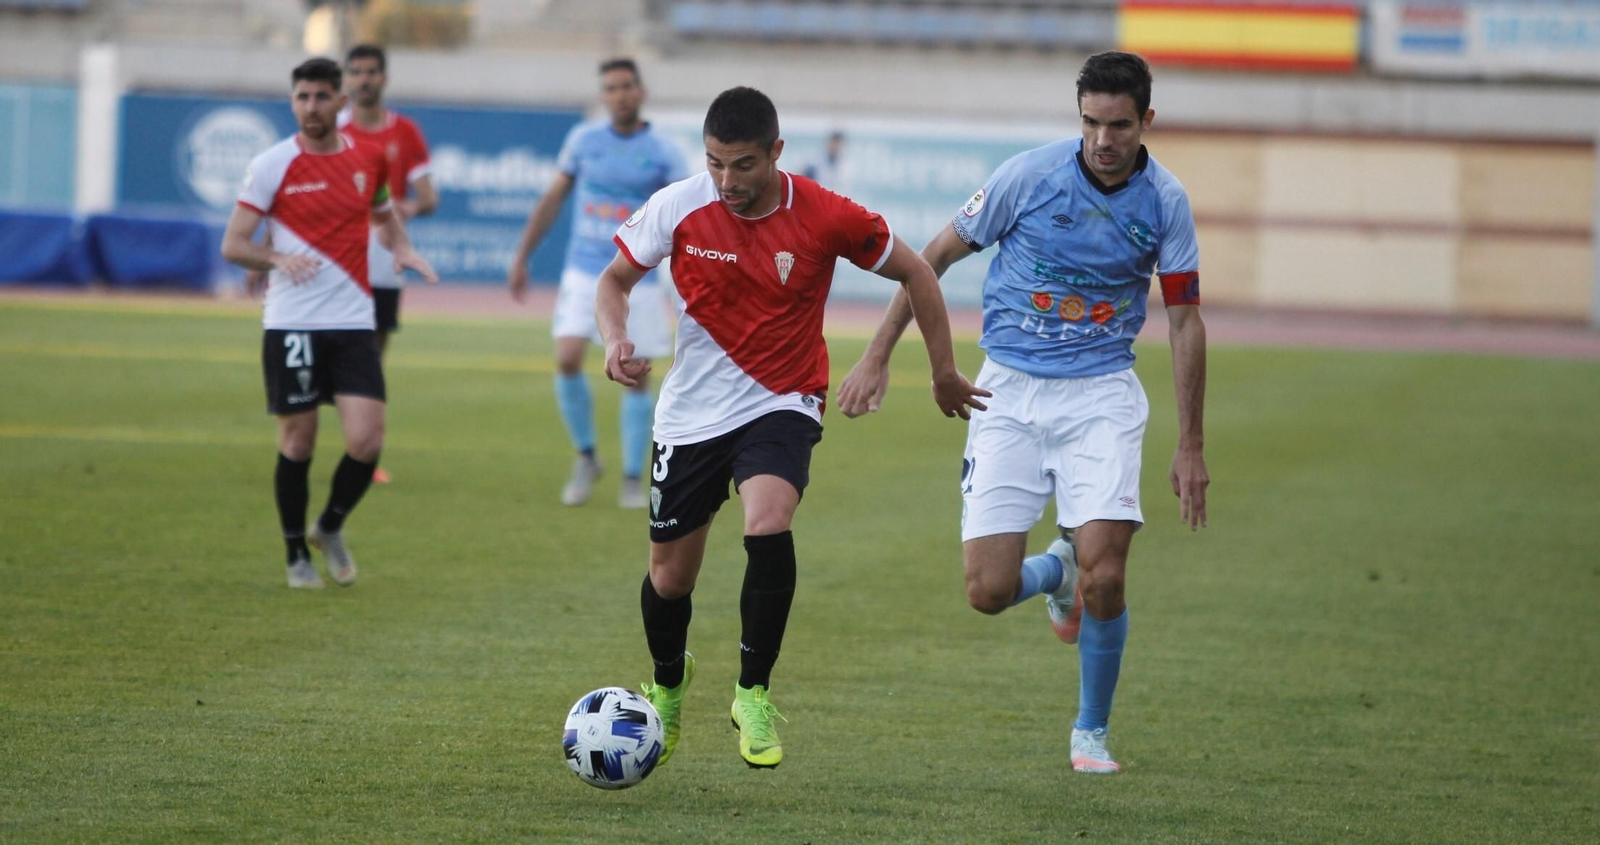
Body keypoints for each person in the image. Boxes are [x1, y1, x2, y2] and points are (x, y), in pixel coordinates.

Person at [837, 51, 1210, 775]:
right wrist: (879, 351)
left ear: (1146, 122)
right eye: (1091, 123)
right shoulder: (1030, 176)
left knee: (1109, 574)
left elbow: (1186, 321)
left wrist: (1191, 442)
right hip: (1007, 390)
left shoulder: (1165, 202)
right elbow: (932, 257)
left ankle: (1091, 732)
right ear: (1079, 118)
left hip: (1102, 394)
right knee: (988, 591)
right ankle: (1055, 574)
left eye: (1120, 125)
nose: (1103, 140)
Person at [597, 86, 989, 769]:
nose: (727, 181)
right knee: (669, 580)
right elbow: (613, 282)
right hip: (689, 414)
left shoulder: (826, 215)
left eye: (743, 165)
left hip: (781, 398)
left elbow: (919, 272)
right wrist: (613, 339)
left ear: (776, 153)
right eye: (716, 163)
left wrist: (941, 371)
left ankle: (752, 690)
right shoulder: (679, 205)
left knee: (768, 521)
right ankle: (666, 682)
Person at [221, 57, 437, 589]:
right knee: (298, 443)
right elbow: (234, 244)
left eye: (321, 97)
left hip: (353, 320)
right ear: (293, 102)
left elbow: (384, 214)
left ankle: (329, 526)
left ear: (341, 102)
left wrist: (402, 249)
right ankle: (296, 552)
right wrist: (275, 260)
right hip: (292, 324)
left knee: (366, 442)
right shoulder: (273, 164)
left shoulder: (368, 160)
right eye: (302, 97)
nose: (311, 107)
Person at [247, 43, 436, 484]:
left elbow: (427, 198)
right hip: (324, 268)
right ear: (346, 83)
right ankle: (310, 444)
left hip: (381, 261)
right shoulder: (328, 130)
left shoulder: (403, 132)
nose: (364, 79)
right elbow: (293, 202)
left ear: (383, 79)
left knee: (370, 355)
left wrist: (399, 214)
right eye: (356, 72)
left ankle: (361, 449)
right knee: (317, 366)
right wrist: (266, 255)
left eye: (372, 72)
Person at [507, 58, 688, 509]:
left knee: (636, 374)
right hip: (584, 269)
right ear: (603, 95)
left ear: (641, 92)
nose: (620, 94)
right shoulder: (583, 141)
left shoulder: (664, 151)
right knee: (567, 357)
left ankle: (631, 475)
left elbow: (685, 219)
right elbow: (553, 199)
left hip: (637, 276)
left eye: (627, 86)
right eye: (611, 87)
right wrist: (522, 256)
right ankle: (587, 455)